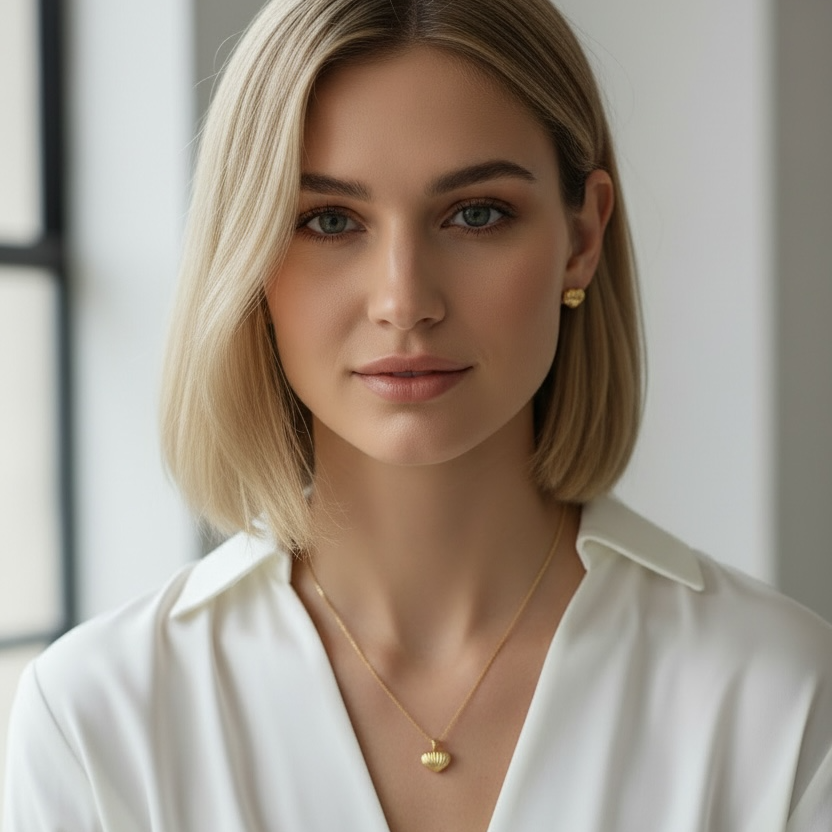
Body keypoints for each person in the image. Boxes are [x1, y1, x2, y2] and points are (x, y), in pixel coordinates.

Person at [4, 0, 832, 829]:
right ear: (248, 255)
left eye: (475, 214)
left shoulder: (782, 699)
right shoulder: (97, 720)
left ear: (583, 236)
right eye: (329, 221)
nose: (404, 301)